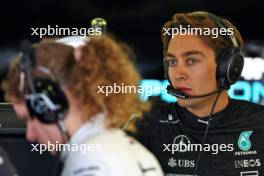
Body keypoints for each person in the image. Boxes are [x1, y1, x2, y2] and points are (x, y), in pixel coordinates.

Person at [2, 35, 164, 176]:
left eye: (29, 118)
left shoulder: (89, 162)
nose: (30, 134)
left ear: (50, 104)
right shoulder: (138, 153)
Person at [134, 11, 264, 176]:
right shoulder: (146, 124)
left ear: (228, 67)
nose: (178, 73)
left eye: (191, 61)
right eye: (172, 62)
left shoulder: (259, 123)